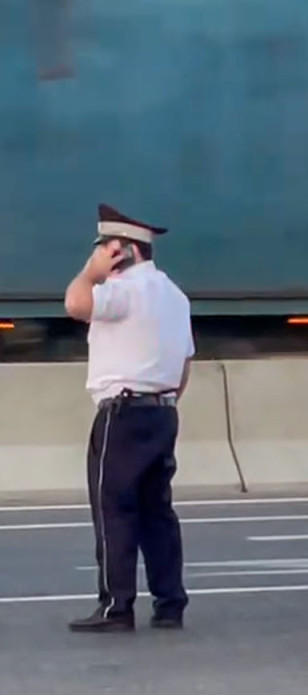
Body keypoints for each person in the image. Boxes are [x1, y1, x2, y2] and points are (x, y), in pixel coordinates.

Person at [62, 203, 195, 633]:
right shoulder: (174, 295)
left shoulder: (122, 291)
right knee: (157, 511)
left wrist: (90, 271)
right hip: (162, 412)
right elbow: (185, 364)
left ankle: (115, 607)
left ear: (124, 252)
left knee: (113, 509)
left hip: (121, 416)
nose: (101, 255)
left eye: (106, 249)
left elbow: (75, 304)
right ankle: (169, 603)